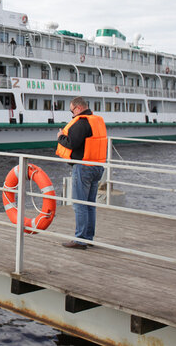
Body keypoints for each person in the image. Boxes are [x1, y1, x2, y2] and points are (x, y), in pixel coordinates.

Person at [56, 96, 108, 249]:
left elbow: (72, 143)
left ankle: (80, 240)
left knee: (79, 205)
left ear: (78, 108)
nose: (71, 114)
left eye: (71, 111)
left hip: (83, 167)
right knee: (90, 205)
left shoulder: (81, 123)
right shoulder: (96, 121)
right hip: (97, 167)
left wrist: (60, 137)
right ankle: (88, 238)